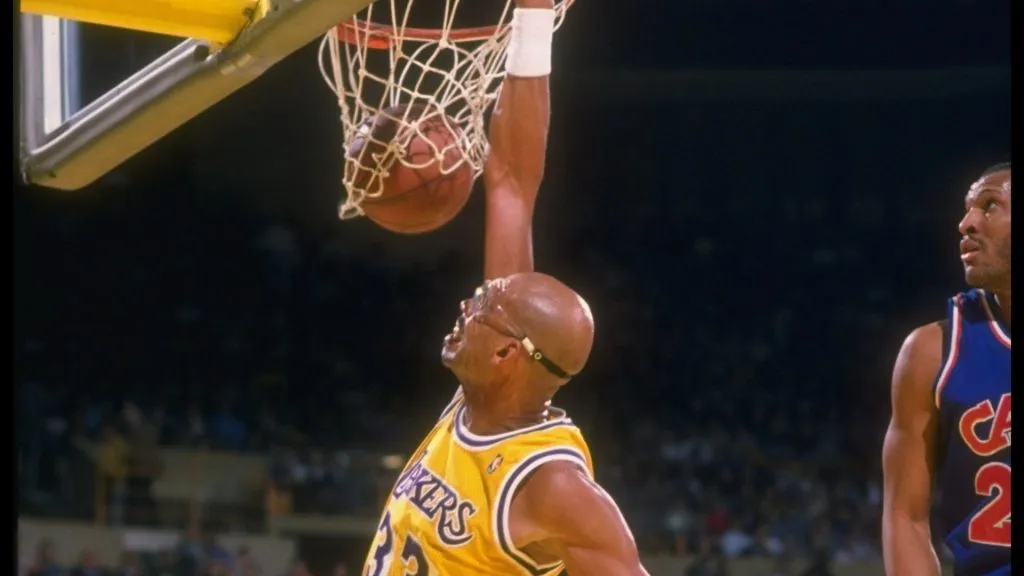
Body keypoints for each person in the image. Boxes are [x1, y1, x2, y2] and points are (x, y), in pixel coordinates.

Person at [360, 0, 647, 574]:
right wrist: (534, 18)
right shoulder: (473, 403)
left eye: (481, 308)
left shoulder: (552, 486)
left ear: (506, 353)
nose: (467, 303)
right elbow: (512, 182)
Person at [881, 163, 1011, 576]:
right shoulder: (934, 351)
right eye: (967, 209)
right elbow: (906, 516)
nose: (966, 224)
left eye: (990, 205)